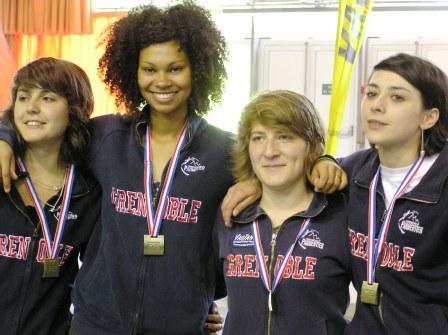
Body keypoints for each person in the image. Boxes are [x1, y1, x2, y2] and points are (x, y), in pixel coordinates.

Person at [0, 2, 345, 334]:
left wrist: (323, 162)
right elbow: (46, 128)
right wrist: (4, 137)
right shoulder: (105, 136)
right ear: (133, 73)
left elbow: (281, 168)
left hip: (180, 326)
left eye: (175, 68)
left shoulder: (223, 151)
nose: (161, 81)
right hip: (96, 325)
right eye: (149, 69)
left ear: (197, 70)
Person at [214, 90, 351, 334]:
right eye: (258, 138)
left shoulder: (339, 217)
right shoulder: (230, 214)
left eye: (284, 137)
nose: (269, 151)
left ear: (311, 145)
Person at [340, 53, 448, 334]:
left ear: (429, 117)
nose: (377, 105)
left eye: (397, 97)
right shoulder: (352, 172)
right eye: (372, 93)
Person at [0, 57, 101, 334]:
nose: (31, 107)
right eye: (23, 97)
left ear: (74, 109)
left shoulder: (87, 194)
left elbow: (110, 269)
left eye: (47, 98)